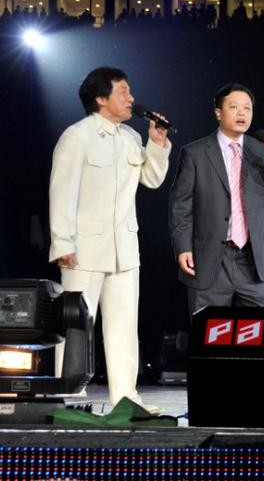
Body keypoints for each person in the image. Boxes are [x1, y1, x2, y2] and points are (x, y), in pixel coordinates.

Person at [49, 66, 171, 410]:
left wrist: (157, 143)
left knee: (124, 327)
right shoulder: (77, 136)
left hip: (124, 250)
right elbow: (62, 191)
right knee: (77, 326)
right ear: (101, 98)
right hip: (83, 249)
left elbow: (152, 179)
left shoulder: (130, 137)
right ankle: (69, 396)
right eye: (123, 91)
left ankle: (126, 398)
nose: (131, 98)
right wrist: (62, 243)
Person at [169, 83, 264, 315]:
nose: (242, 113)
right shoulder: (195, 153)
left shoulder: (261, 150)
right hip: (209, 259)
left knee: (263, 331)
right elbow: (181, 205)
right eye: (234, 107)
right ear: (218, 112)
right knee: (209, 333)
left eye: (247, 108)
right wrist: (183, 247)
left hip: (252, 260)